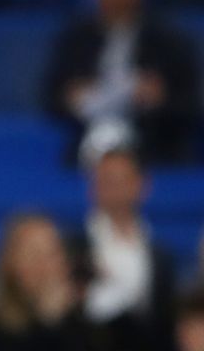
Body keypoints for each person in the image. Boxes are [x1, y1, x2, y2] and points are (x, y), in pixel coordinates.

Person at [44, 0, 200, 167]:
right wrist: (72, 98)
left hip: (156, 154)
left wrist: (158, 98)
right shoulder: (74, 39)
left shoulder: (170, 40)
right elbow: (50, 99)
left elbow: (192, 104)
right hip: (87, 156)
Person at [69, 147, 176, 351]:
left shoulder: (161, 256)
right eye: (106, 180)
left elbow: (164, 324)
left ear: (143, 185)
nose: (115, 189)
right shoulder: (72, 248)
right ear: (92, 187)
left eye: (122, 180)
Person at [0, 214, 85, 351]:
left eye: (51, 254)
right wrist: (50, 321)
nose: (44, 266)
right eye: (33, 254)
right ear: (11, 264)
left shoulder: (89, 316)